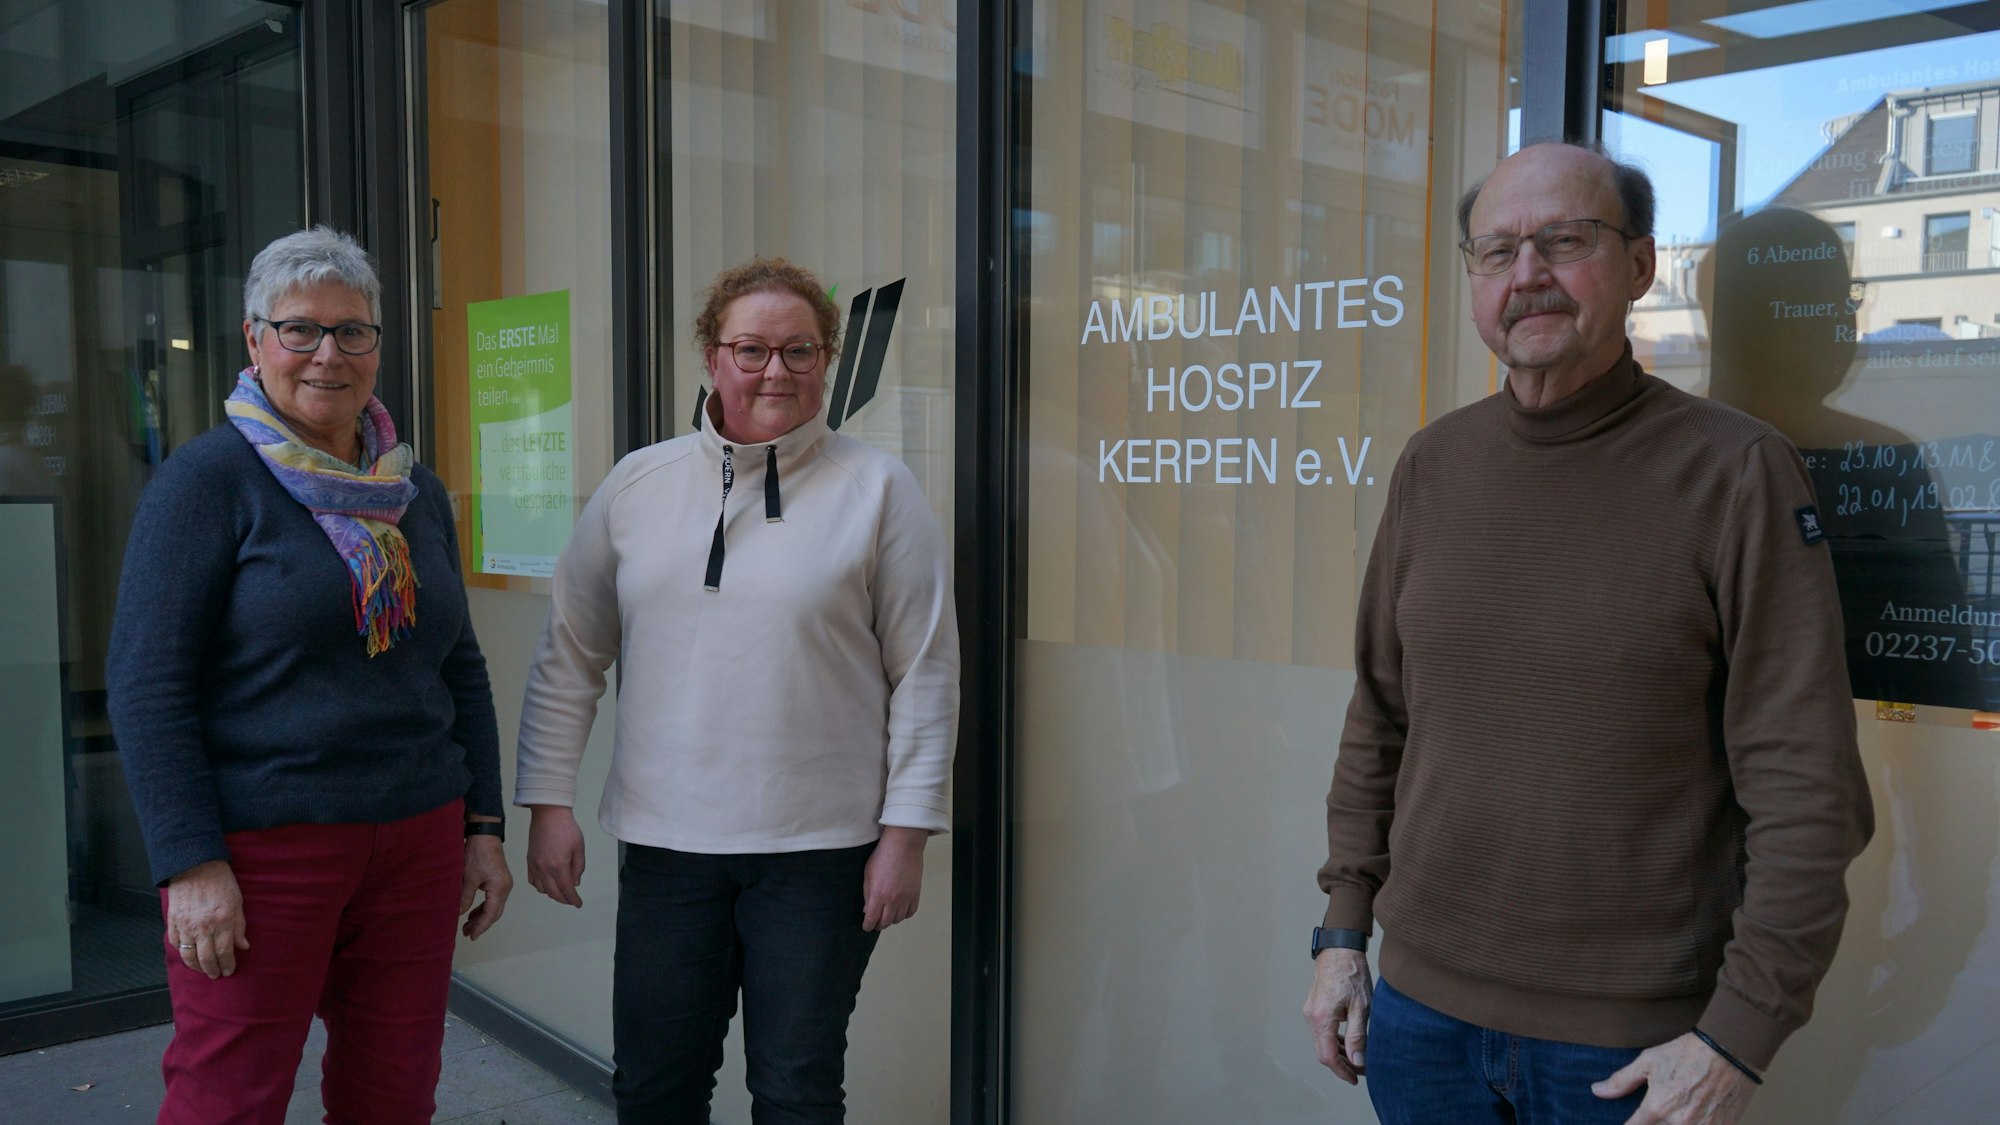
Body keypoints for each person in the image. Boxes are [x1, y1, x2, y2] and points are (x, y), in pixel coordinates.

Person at [1302, 141, 1874, 1125]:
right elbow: (1379, 719)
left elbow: (1806, 791)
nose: (1526, 274)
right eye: (1496, 251)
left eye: (1562, 242)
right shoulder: (1431, 466)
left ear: (1640, 266)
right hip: (1418, 1020)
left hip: (1628, 1048)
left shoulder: (1734, 473)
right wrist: (1342, 935)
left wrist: (1735, 1037)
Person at [515, 256, 959, 1124]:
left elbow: (927, 672)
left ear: (828, 360)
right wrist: (546, 800)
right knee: (655, 1086)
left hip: (821, 856)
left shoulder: (879, 490)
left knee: (795, 1091)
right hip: (667, 846)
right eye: (751, 349)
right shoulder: (639, 483)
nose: (776, 371)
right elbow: (569, 650)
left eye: (800, 350)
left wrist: (907, 834)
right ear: (711, 357)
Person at [107, 226, 512, 1125]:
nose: (328, 353)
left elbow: (461, 670)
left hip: (415, 843)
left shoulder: (415, 492)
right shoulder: (207, 481)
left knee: (393, 1094)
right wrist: (191, 863)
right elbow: (147, 686)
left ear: (376, 346)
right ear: (256, 342)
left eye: (352, 330)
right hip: (263, 853)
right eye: (300, 330)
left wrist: (482, 824)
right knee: (230, 1099)